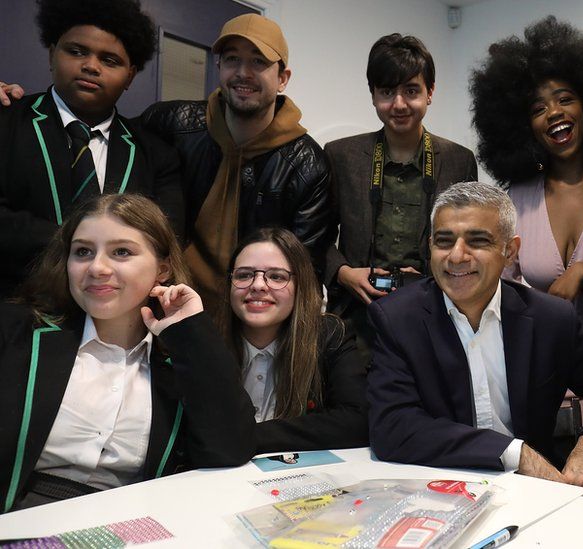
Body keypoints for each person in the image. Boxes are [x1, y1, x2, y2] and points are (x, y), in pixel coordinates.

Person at [367, 181, 583, 498]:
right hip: (437, 494)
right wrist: (514, 452)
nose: (457, 256)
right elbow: (393, 426)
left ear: (510, 251)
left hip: (532, 496)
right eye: (444, 241)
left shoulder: (551, 319)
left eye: (477, 241)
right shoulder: (396, 319)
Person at [0, 194, 253, 513]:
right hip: (20, 520)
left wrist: (191, 333)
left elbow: (230, 449)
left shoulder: (181, 358)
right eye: (82, 252)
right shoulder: (16, 333)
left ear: (163, 268)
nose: (97, 267)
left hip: (129, 523)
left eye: (121, 252)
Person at [139, 14, 331, 308]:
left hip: (251, 316)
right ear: (219, 67)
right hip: (166, 304)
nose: (243, 72)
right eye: (231, 59)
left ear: (283, 78)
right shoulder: (170, 124)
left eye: (258, 62)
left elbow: (305, 271)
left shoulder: (307, 165)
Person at [470, 16, 583, 352]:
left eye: (565, 99)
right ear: (525, 126)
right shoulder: (516, 200)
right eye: (538, 108)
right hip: (551, 364)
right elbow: (499, 291)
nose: (553, 112)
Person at [0, 0, 183, 297]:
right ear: (51, 54)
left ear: (130, 76)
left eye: (110, 60)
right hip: (13, 312)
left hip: (114, 322)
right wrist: (85, 244)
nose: (90, 66)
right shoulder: (7, 120)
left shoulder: (156, 154)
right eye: (76, 51)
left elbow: (163, 239)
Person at [323, 33, 478, 359]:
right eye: (387, 92)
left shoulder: (458, 161)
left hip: (435, 319)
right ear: (373, 95)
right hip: (356, 322)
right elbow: (315, 237)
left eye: (411, 91)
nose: (399, 104)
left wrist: (433, 274)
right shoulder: (341, 156)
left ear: (430, 92)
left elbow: (470, 241)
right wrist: (344, 273)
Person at [219, 227, 368, 453]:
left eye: (277, 276)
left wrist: (249, 437)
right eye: (244, 275)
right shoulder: (208, 342)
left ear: (301, 286)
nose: (258, 285)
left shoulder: (329, 335)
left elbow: (358, 421)